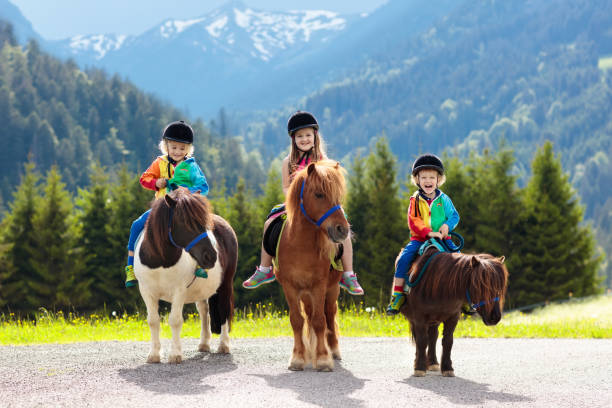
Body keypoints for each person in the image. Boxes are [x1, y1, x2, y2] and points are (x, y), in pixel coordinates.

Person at [241, 111, 364, 295]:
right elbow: (285, 186)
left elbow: (331, 188)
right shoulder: (288, 162)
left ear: (315, 136)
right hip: (296, 205)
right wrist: (294, 200)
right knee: (269, 223)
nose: (304, 139)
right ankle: (265, 269)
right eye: (300, 136)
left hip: (323, 206)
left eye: (308, 135)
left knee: (344, 229)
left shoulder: (323, 161)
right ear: (293, 139)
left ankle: (348, 274)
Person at [124, 120, 209, 287]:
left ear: (188, 150)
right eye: (174, 147)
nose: (178, 151)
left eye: (182, 148)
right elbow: (144, 179)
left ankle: (200, 262)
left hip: (183, 208)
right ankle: (130, 266)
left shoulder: (191, 166)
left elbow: (203, 187)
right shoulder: (159, 163)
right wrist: (156, 183)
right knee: (136, 225)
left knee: (200, 227)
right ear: (166, 146)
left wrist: (188, 191)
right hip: (161, 208)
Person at [385, 154, 459, 315]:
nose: (428, 181)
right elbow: (414, 220)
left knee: (460, 261)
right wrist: (428, 232)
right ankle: (397, 294)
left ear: (439, 179)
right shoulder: (415, 200)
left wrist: (447, 226)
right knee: (404, 259)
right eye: (423, 177)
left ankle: (464, 297)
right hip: (419, 239)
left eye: (432, 177)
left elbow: (454, 216)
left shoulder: (444, 199)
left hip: (443, 239)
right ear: (417, 179)